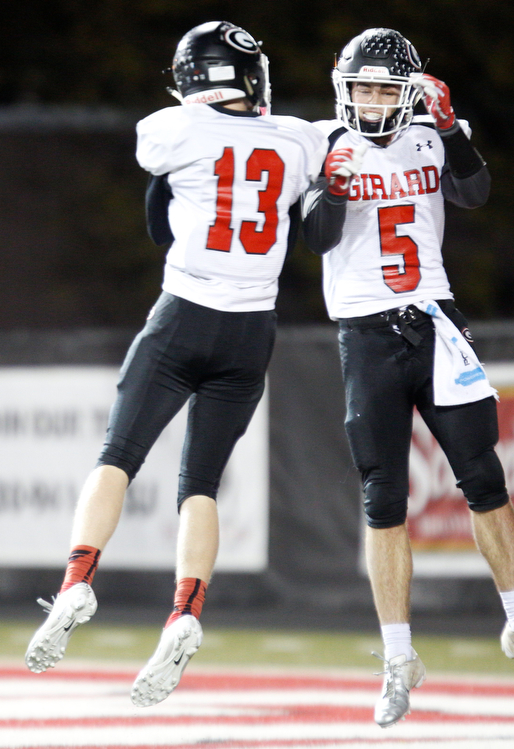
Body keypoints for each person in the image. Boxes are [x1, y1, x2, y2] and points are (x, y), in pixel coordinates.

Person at [25, 20, 327, 707]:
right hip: (253, 330)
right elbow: (327, 157)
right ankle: (186, 608)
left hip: (183, 315)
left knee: (117, 455)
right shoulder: (300, 139)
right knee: (201, 483)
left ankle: (76, 582)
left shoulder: (172, 129)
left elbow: (160, 189)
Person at [302, 27, 514, 728]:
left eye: (384, 87)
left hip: (436, 320)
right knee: (382, 496)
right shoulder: (324, 144)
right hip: (364, 332)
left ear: (410, 93)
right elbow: (315, 237)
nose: (369, 99)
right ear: (343, 88)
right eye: (359, 86)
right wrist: (330, 189)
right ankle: (398, 657)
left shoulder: (431, 134)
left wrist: (450, 129)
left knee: (484, 475)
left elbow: (476, 190)